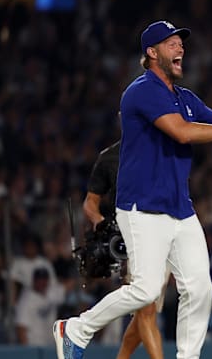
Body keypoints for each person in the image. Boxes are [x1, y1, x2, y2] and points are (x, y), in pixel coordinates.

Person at [53, 20, 212, 359]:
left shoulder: (185, 98)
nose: (180, 48)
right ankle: (75, 329)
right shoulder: (141, 90)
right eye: (171, 43)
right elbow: (184, 133)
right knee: (145, 290)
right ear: (152, 52)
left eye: (181, 43)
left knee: (200, 287)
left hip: (179, 208)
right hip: (141, 208)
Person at [82, 139, 166, 359]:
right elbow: (90, 201)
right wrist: (100, 222)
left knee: (144, 314)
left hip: (164, 233)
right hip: (131, 237)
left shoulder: (161, 148)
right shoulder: (110, 157)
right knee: (146, 310)